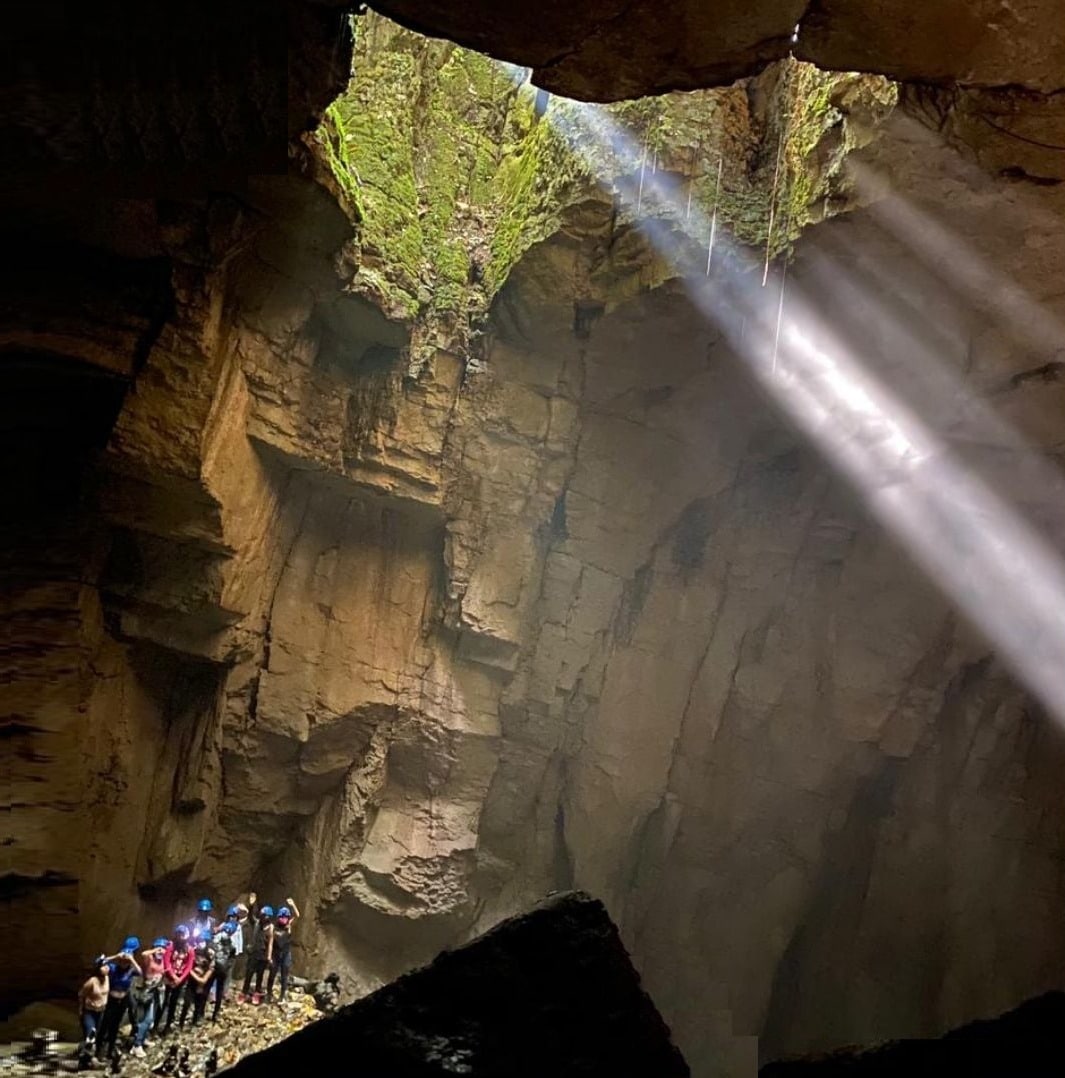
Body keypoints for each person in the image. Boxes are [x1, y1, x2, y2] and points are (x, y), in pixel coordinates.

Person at [95, 938, 141, 1062]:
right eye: (123, 961)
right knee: (104, 1025)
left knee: (115, 1026)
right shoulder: (113, 968)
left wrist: (131, 959)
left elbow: (140, 972)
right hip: (111, 1000)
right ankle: (98, 1050)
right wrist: (115, 956)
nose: (124, 963)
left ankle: (110, 1050)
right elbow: (98, 962)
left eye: (126, 961)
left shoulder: (131, 970)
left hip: (123, 1001)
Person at [128, 939, 167, 1057]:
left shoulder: (162, 961)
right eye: (158, 948)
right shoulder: (149, 959)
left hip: (156, 991)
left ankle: (143, 1038)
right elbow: (144, 954)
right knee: (147, 1019)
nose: (160, 951)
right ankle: (137, 1045)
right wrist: (155, 949)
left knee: (151, 1019)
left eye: (162, 948)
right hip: (146, 992)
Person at [160, 925, 194, 1035]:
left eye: (182, 935)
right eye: (178, 935)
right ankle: (157, 1022)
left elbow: (189, 966)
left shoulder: (189, 950)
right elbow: (166, 962)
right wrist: (173, 976)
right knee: (163, 1001)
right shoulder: (171, 947)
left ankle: (168, 1024)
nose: (180, 937)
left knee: (174, 1002)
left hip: (180, 978)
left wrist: (180, 978)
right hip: (169, 977)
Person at [266, 898, 300, 1003]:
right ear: (278, 917)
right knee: (272, 974)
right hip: (276, 954)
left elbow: (297, 916)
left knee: (284, 975)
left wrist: (293, 905)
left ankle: (282, 995)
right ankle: (269, 994)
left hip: (286, 954)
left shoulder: (289, 926)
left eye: (286, 917)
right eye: (282, 916)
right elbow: (270, 942)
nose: (284, 919)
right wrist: (269, 956)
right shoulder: (273, 928)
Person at [241, 905, 274, 1002]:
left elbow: (270, 943)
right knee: (249, 974)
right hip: (254, 953)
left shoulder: (270, 927)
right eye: (264, 915)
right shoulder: (257, 923)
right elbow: (251, 917)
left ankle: (256, 993)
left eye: (267, 916)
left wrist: (269, 956)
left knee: (260, 976)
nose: (265, 917)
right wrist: (251, 906)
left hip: (263, 955)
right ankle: (244, 992)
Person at [179, 940, 215, 1029]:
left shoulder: (210, 955)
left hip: (203, 983)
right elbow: (187, 966)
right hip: (192, 982)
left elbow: (208, 974)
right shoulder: (193, 952)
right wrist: (196, 977)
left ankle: (194, 1022)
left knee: (198, 1004)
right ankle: (181, 1023)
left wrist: (200, 979)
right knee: (186, 1003)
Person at [78, 956, 110, 1053]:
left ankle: (95, 1054)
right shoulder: (92, 981)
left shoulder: (107, 978)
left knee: (99, 1034)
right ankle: (86, 1055)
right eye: (103, 966)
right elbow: (81, 994)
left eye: (106, 966)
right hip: (90, 1012)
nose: (106, 968)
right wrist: (81, 1009)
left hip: (101, 1011)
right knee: (90, 1033)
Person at [209, 923, 237, 1022]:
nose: (226, 934)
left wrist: (227, 967)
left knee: (219, 993)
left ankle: (215, 1014)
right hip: (212, 970)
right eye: (225, 931)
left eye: (228, 932)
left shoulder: (232, 946)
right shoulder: (214, 941)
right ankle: (199, 1014)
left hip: (222, 971)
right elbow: (209, 953)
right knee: (205, 991)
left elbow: (232, 958)